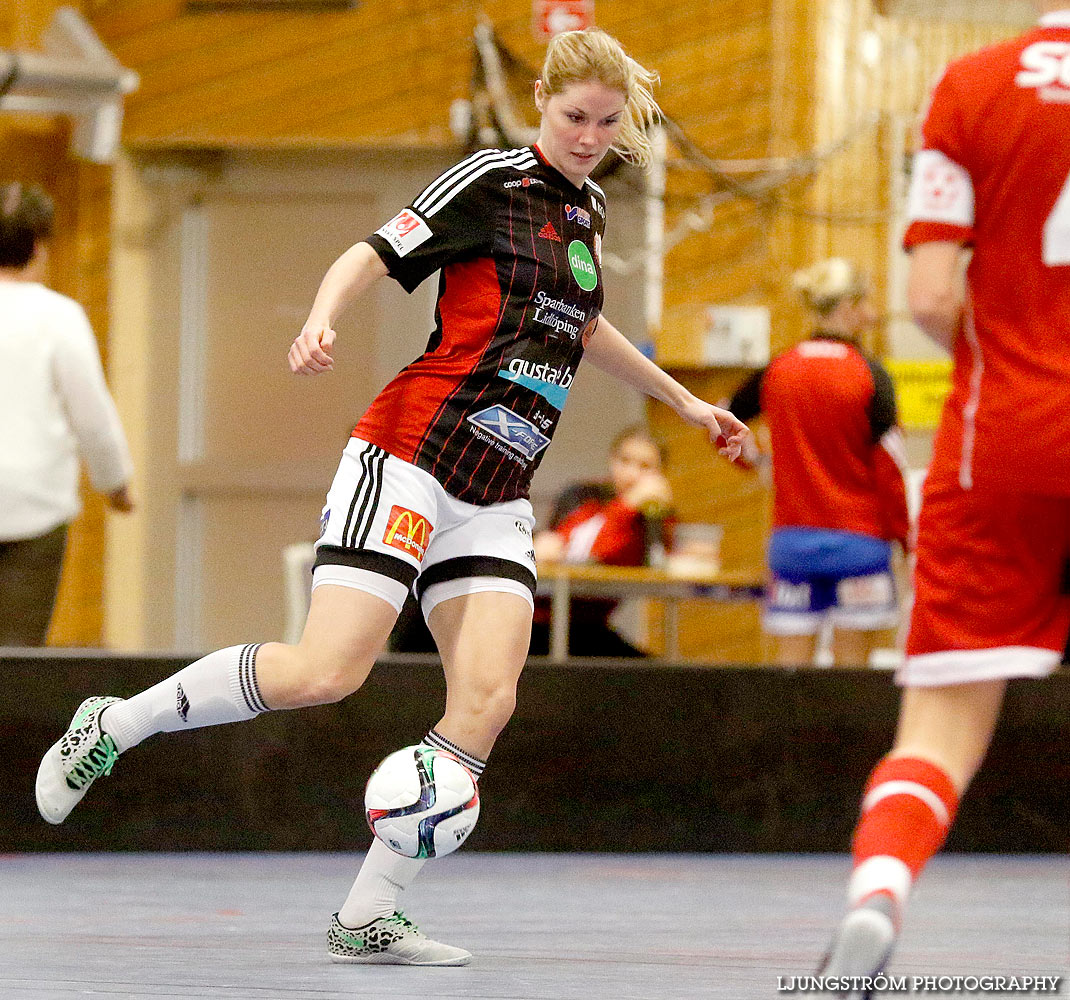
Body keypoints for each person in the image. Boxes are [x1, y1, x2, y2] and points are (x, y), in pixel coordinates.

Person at [35, 29, 748, 967]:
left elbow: (585, 324)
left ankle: (371, 908)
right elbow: (370, 253)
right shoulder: (490, 180)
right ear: (540, 98)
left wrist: (691, 403)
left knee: (488, 698)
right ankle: (114, 723)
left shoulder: (593, 208)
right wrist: (323, 317)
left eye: (606, 124)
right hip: (412, 452)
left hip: (497, 492)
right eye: (575, 118)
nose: (588, 137)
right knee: (325, 673)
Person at [819, 3, 1070, 992]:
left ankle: (877, 889)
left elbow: (926, 296)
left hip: (999, 440)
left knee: (936, 735)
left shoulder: (968, 83)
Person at [727, 259, 910, 668]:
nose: (872, 313)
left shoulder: (778, 368)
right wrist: (904, 537)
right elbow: (889, 467)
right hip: (860, 544)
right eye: (865, 302)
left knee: (790, 673)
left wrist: (757, 464)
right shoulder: (872, 374)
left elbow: (722, 422)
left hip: (792, 543)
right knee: (852, 679)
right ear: (847, 306)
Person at [0, 182, 134, 646]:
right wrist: (115, 485)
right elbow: (92, 417)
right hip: (35, 505)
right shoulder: (58, 316)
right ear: (40, 244)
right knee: (15, 653)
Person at [529, 424, 673, 657]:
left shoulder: (653, 515)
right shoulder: (584, 499)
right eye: (624, 461)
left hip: (588, 627)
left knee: (660, 678)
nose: (631, 473)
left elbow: (660, 558)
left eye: (645, 466)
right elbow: (586, 554)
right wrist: (627, 505)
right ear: (612, 461)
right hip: (542, 624)